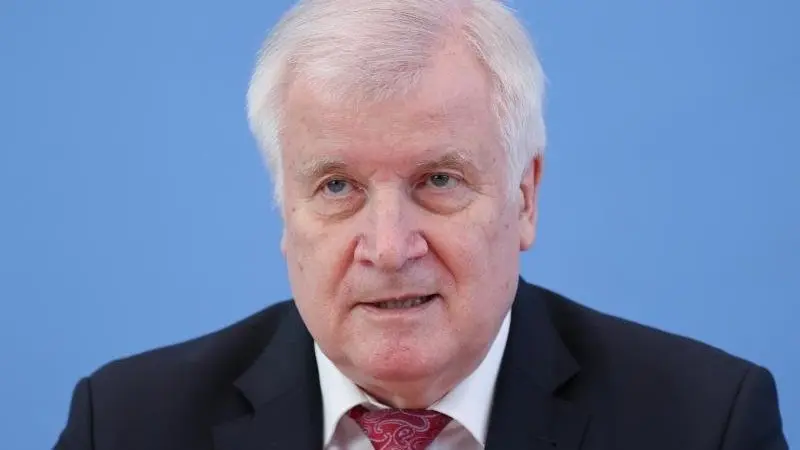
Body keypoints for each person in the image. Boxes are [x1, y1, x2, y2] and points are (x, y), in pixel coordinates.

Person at [54, 0, 788, 449]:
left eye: (438, 181)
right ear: (284, 208)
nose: (388, 248)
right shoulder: (123, 426)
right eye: (336, 186)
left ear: (525, 197)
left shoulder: (704, 425)